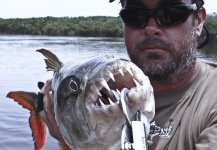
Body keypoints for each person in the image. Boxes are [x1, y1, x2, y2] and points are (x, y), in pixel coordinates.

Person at [39, 0, 217, 149]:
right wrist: (69, 134)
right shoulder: (112, 83)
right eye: (135, 15)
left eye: (170, 13)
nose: (150, 27)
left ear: (199, 21)